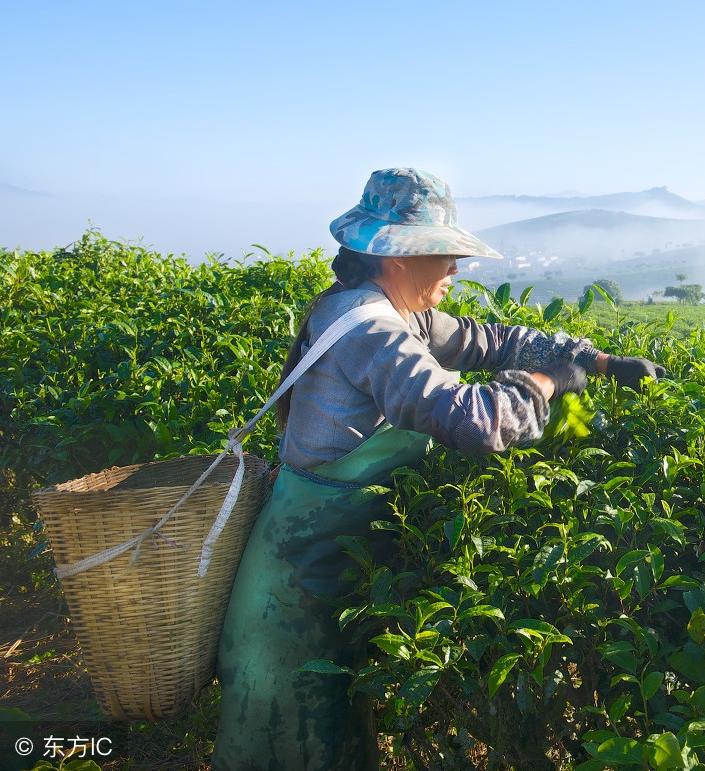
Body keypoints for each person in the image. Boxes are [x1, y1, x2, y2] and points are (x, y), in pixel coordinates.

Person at [212, 168, 663, 770]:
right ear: (399, 258)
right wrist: (547, 384)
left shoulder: (394, 310)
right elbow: (470, 420)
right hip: (298, 578)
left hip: (333, 560)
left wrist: (598, 360)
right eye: (444, 254)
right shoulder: (371, 329)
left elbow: (487, 340)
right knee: (297, 724)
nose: (455, 269)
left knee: (335, 716)